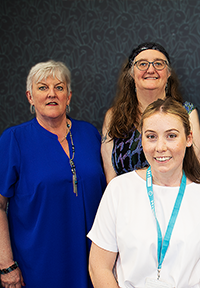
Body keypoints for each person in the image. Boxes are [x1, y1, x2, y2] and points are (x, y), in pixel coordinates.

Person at [88, 98, 200, 288]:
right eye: (151, 136)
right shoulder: (119, 189)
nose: (160, 147)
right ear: (141, 140)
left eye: (171, 136)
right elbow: (99, 266)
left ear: (189, 138)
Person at [0, 60, 106, 288]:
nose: (52, 94)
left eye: (59, 87)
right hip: (38, 263)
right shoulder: (14, 140)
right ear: (30, 97)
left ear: (68, 96)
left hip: (93, 260)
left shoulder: (89, 134)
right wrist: (6, 263)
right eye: (42, 87)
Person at [101, 42, 200, 183]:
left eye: (158, 64)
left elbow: (193, 168)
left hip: (174, 200)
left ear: (168, 73)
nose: (150, 70)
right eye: (142, 64)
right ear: (131, 73)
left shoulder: (187, 113)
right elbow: (111, 177)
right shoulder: (113, 117)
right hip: (128, 201)